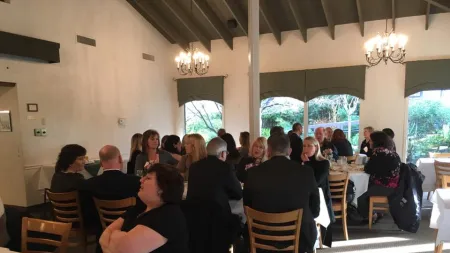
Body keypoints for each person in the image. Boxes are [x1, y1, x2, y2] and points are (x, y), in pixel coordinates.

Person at [243, 134, 320, 253]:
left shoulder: (252, 173)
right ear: (289, 151)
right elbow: (315, 210)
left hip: (261, 238)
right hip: (299, 238)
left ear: (268, 151)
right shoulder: (306, 172)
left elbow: (247, 206)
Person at [99, 164, 189, 253]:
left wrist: (114, 237)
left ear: (162, 188)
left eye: (148, 178)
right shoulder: (140, 207)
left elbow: (123, 248)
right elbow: (105, 235)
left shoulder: (169, 215)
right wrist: (118, 240)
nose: (141, 180)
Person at [185, 137, 243, 252]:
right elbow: (238, 193)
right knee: (239, 217)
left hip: (194, 220)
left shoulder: (194, 167)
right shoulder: (225, 167)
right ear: (222, 153)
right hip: (218, 222)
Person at [357, 131, 400, 222]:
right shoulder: (391, 152)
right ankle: (375, 212)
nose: (370, 143)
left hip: (385, 187)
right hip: (395, 185)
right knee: (365, 188)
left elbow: (368, 169)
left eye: (371, 141)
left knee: (359, 196)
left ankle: (371, 216)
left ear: (377, 142)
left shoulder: (378, 153)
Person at [302, 137, 334, 247]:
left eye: (309, 146)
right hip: (305, 195)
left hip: (320, 197)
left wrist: (306, 163)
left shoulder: (324, 163)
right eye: (304, 145)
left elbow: (315, 182)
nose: (305, 148)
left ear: (316, 148)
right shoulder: (301, 162)